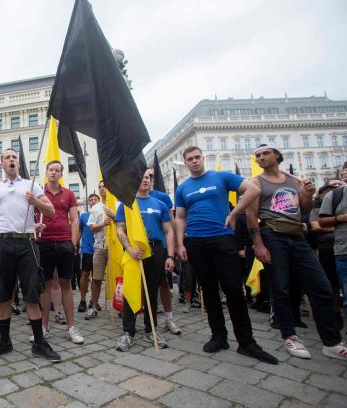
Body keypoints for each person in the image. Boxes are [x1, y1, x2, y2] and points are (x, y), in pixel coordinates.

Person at [175, 146, 278, 364]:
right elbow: (180, 217)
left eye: (197, 157)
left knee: (233, 289)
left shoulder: (221, 177)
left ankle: (247, 342)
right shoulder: (183, 188)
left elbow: (253, 190)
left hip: (222, 238)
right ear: (185, 163)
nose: (194, 161)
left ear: (203, 158)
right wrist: (180, 243)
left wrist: (233, 212)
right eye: (190, 159)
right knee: (208, 290)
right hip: (195, 242)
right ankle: (219, 336)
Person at [247, 143, 345, 360]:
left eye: (265, 154)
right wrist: (259, 244)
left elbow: (304, 210)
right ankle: (290, 336)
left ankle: (331, 342)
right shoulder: (256, 182)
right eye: (258, 156)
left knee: (321, 287)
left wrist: (308, 195)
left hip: (297, 236)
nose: (261, 158)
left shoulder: (294, 181)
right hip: (272, 234)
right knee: (280, 288)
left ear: (277, 156)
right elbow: (251, 216)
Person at [0, 148, 60, 362]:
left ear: (18, 162)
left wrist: (36, 202)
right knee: (3, 293)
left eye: (14, 157)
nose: (11, 160)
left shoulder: (31, 184)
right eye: (7, 157)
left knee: (32, 293)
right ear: (2, 163)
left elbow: (51, 211)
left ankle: (38, 343)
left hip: (28, 242)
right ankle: (4, 341)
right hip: (3, 243)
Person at [115, 169, 176, 351]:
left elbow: (169, 231)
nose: (145, 180)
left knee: (152, 291)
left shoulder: (160, 204)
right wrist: (129, 248)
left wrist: (170, 255)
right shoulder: (127, 204)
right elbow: (120, 229)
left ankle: (151, 330)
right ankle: (128, 332)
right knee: (131, 290)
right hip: (135, 251)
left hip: (156, 250)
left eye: (148, 177)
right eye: (141, 177)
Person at [34, 161, 83, 344]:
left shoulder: (69, 194)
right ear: (46, 172)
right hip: (44, 243)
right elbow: (29, 215)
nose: (54, 173)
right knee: (45, 285)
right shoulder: (38, 193)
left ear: (61, 174)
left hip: (64, 242)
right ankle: (44, 328)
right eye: (51, 170)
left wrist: (73, 242)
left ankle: (71, 327)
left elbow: (75, 220)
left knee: (66, 285)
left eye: (57, 170)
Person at [146, 170, 182, 336]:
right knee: (142, 285)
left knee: (164, 283)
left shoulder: (162, 197)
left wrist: (174, 247)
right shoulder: (131, 197)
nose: (148, 179)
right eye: (145, 175)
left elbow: (171, 223)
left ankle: (169, 318)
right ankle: (147, 323)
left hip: (161, 247)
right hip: (140, 249)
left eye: (150, 176)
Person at [310, 182, 343, 329]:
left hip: (340, 247)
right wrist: (339, 227)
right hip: (328, 248)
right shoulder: (318, 207)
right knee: (332, 283)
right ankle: (335, 313)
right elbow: (316, 225)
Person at [85, 180, 115, 319]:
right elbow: (91, 227)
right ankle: (94, 306)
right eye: (100, 187)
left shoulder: (118, 203)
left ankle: (120, 306)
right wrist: (103, 223)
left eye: (105, 186)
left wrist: (114, 216)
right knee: (96, 278)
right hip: (100, 246)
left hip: (116, 246)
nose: (102, 189)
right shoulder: (95, 207)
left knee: (118, 278)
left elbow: (125, 223)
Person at [75, 194, 98, 312]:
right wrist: (74, 244)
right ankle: (83, 300)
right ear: (89, 203)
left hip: (99, 249)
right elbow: (79, 231)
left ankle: (94, 301)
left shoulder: (103, 215)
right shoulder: (84, 216)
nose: (93, 201)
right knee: (84, 275)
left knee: (96, 277)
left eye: (95, 199)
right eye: (91, 200)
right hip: (87, 250)